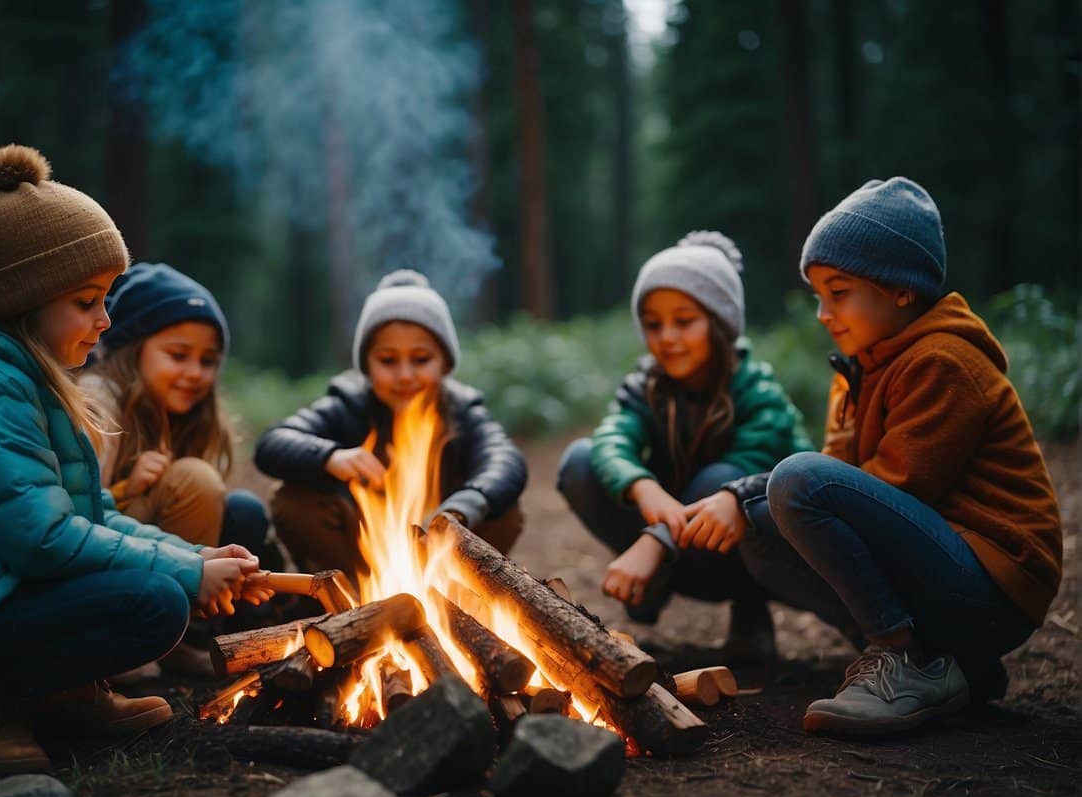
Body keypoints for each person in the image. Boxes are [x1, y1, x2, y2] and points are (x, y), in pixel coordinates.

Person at [0, 144, 265, 772]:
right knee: (155, 602)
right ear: (25, 299)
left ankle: (63, 695)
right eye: (87, 301)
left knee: (161, 589)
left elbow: (95, 515)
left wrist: (197, 557)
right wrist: (186, 576)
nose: (106, 320)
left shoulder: (31, 384)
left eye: (106, 298)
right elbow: (44, 541)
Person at [723, 177, 1062, 736]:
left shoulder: (945, 362)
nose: (823, 313)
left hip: (994, 585)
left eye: (839, 291)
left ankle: (904, 659)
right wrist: (737, 498)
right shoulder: (860, 368)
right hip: (942, 570)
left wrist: (767, 489)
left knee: (796, 482)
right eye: (818, 296)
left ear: (901, 290)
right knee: (759, 526)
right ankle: (955, 669)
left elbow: (894, 487)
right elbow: (845, 486)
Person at [557, 232, 813, 660]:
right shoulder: (646, 386)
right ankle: (654, 578)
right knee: (579, 461)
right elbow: (612, 439)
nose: (667, 337)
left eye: (684, 320)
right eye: (653, 324)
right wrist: (643, 488)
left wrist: (655, 541)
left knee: (724, 481)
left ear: (720, 322)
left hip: (747, 554)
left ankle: (748, 610)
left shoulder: (757, 392)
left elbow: (748, 477)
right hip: (679, 538)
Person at [255, 270, 527, 583]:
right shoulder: (348, 404)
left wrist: (463, 507)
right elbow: (272, 443)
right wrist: (331, 457)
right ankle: (350, 602)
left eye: (421, 359)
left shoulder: (463, 411)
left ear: (445, 363)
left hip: (443, 559)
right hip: (359, 561)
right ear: (366, 365)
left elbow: (504, 459)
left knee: (501, 507)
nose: (405, 375)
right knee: (293, 499)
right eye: (387, 360)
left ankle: (453, 600)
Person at [80, 263, 275, 673]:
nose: (195, 373)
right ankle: (134, 646)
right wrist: (125, 489)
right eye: (178, 355)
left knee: (241, 511)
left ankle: (182, 640)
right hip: (97, 569)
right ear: (133, 349)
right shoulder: (98, 404)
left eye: (207, 361)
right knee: (195, 479)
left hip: (148, 554)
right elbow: (72, 515)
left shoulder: (183, 413)